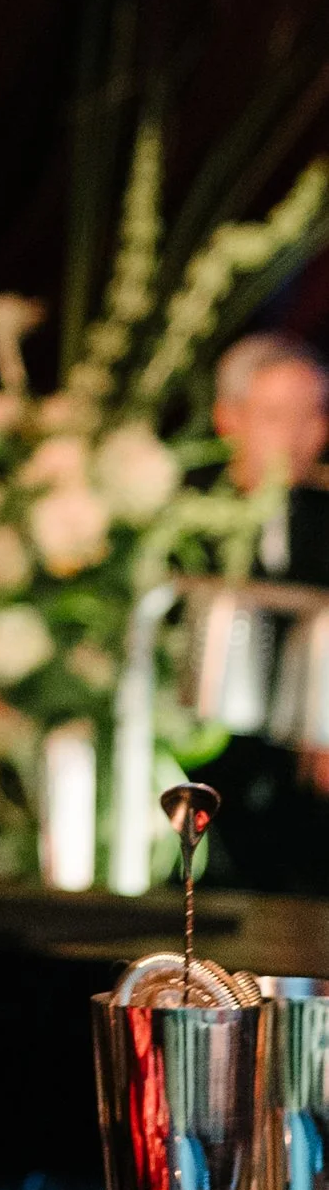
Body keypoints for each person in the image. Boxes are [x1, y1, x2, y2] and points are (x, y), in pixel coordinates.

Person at [205, 332, 329, 885]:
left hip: (304, 811)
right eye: (276, 415)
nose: (301, 436)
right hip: (201, 789)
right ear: (226, 419)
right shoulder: (179, 519)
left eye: (313, 415)